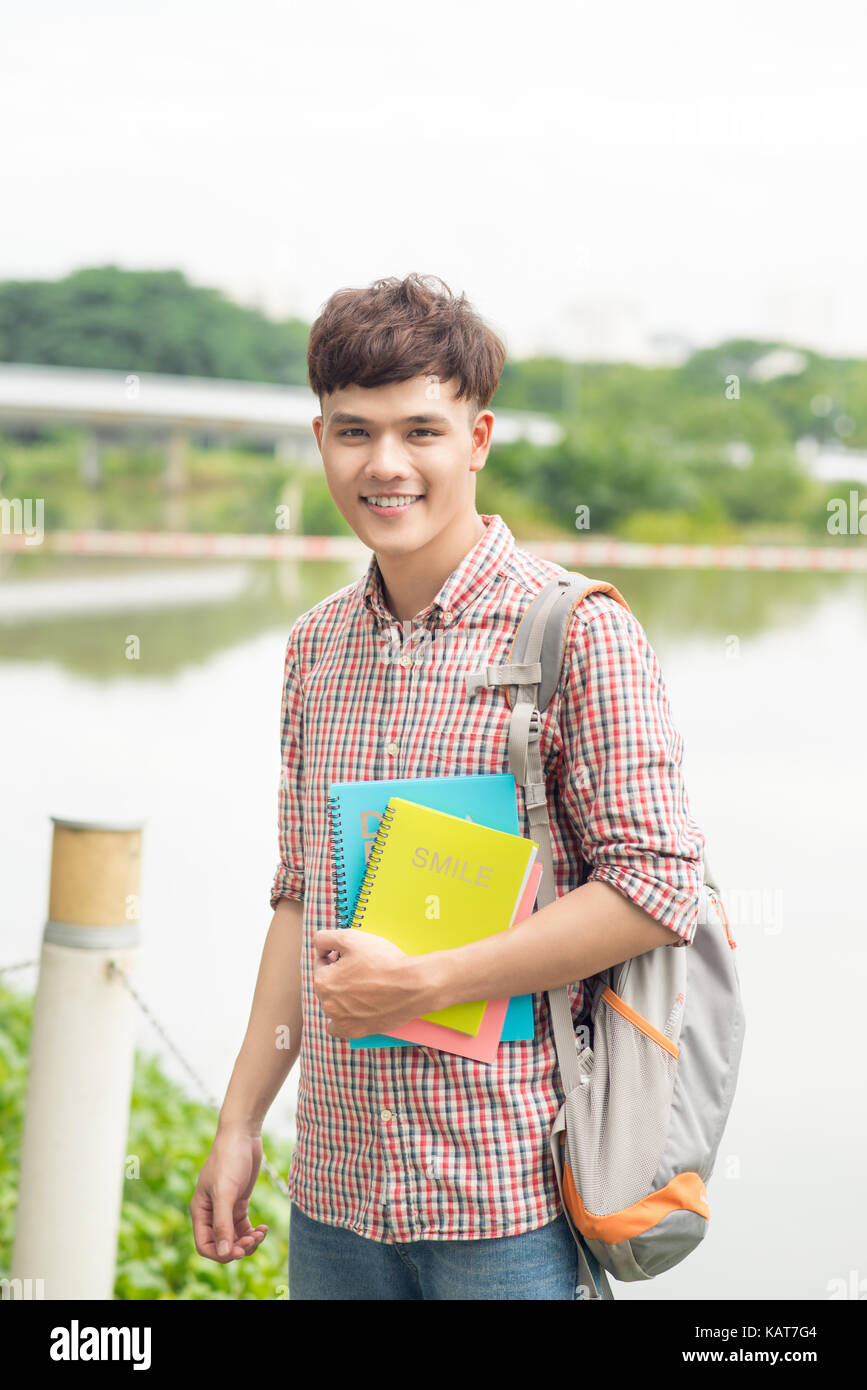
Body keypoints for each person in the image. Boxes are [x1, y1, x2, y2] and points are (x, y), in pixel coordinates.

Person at [190, 272, 706, 1300]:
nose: (385, 464)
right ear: (321, 437)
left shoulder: (576, 631)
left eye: (420, 430)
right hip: (334, 1197)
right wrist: (241, 1119)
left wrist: (431, 982)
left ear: (477, 438)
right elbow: (301, 897)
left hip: (508, 1200)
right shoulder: (313, 650)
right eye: (353, 431)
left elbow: (657, 887)